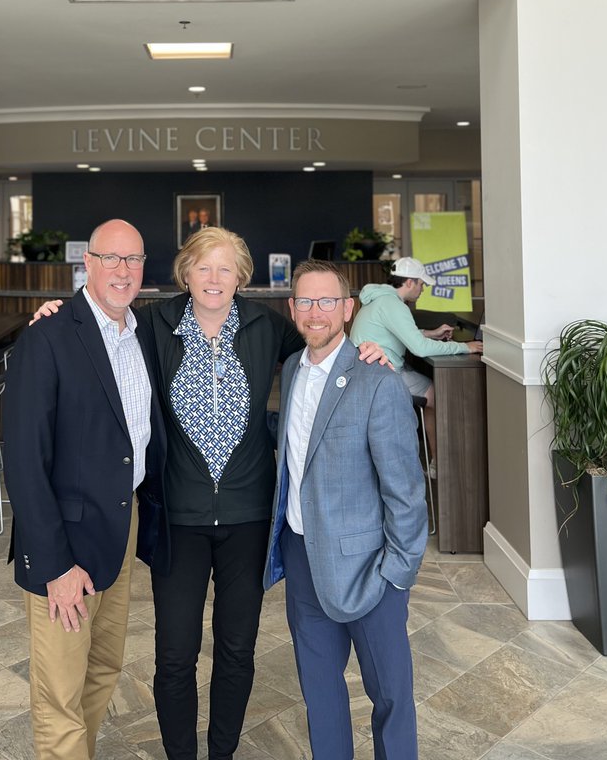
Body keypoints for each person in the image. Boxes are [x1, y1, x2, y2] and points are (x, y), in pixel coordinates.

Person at [33, 229, 389, 760]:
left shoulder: (266, 325)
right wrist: (56, 317)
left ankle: (221, 754)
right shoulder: (151, 324)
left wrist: (364, 342)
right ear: (185, 274)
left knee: (236, 650)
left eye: (226, 269)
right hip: (178, 519)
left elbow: (323, 339)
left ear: (242, 277)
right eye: (204, 267)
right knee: (175, 655)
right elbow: (95, 330)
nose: (214, 279)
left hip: (248, 518)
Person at [4, 219, 169, 760]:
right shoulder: (47, 338)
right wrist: (54, 565)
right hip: (65, 544)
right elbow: (25, 464)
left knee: (103, 666)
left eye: (134, 260)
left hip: (121, 528)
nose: (123, 271)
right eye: (112, 259)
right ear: (88, 264)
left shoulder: (142, 332)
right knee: (60, 690)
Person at [264, 260, 428, 760]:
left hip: (369, 568)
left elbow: (406, 490)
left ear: (347, 308)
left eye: (327, 302)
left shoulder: (377, 380)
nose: (317, 313)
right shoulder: (291, 369)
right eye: (306, 302)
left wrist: (397, 573)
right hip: (302, 555)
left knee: (391, 696)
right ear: (292, 309)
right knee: (320, 694)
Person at [349, 256, 483, 473]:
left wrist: (431, 333)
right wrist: (466, 347)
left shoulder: (382, 300)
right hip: (381, 375)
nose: (422, 289)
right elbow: (420, 349)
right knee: (437, 396)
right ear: (409, 282)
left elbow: (397, 333)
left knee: (432, 391)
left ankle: (436, 462)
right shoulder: (392, 304)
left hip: (369, 372)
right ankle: (439, 465)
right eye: (421, 284)